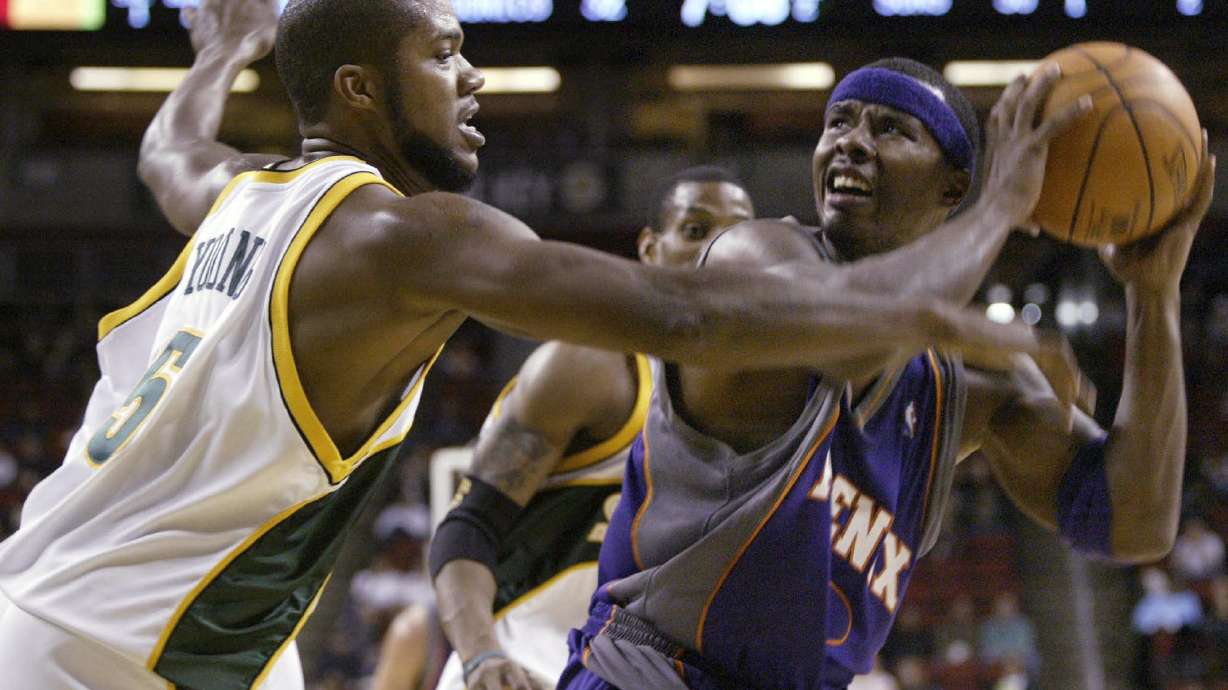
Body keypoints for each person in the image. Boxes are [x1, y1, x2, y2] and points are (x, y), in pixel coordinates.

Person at [0, 2, 1064, 689]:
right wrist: (971, 243)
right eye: (446, 51)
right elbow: (686, 315)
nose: (475, 80)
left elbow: (165, 149)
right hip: (116, 652)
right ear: (361, 90)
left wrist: (227, 50)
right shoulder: (410, 236)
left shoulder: (238, 195)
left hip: (75, 604)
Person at [558, 57, 1215, 689]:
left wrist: (1153, 295)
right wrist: (1001, 209)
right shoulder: (755, 256)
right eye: (838, 123)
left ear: (951, 186)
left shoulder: (964, 384)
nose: (850, 143)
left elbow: (1135, 523)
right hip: (648, 674)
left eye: (889, 128)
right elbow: (856, 336)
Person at [428, 166, 754, 690]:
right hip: (519, 667)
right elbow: (467, 529)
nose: (718, 249)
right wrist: (480, 657)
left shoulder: (769, 408)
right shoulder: (591, 367)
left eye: (737, 235)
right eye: (695, 230)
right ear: (650, 249)